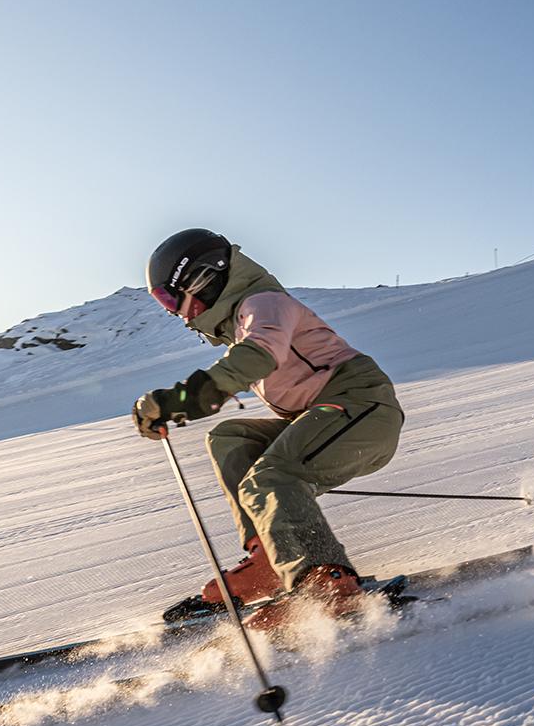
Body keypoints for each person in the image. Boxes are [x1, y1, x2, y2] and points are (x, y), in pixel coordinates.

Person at [133, 229, 403, 629]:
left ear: (204, 278)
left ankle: (326, 582)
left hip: (361, 409)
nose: (175, 313)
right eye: (164, 304)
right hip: (327, 417)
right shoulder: (243, 322)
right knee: (230, 439)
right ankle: (269, 561)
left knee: (273, 475)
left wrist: (178, 400)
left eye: (171, 299)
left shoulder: (264, 304)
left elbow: (256, 358)